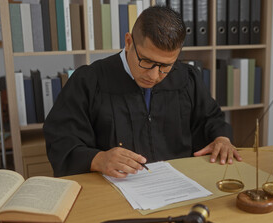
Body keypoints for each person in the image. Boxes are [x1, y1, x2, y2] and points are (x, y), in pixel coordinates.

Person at [43, 6, 242, 178]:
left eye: (166, 65)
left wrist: (221, 139)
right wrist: (98, 159)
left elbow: (211, 118)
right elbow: (61, 139)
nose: (154, 76)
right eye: (146, 61)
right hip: (113, 188)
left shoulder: (187, 77)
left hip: (179, 183)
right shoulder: (89, 80)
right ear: (128, 42)